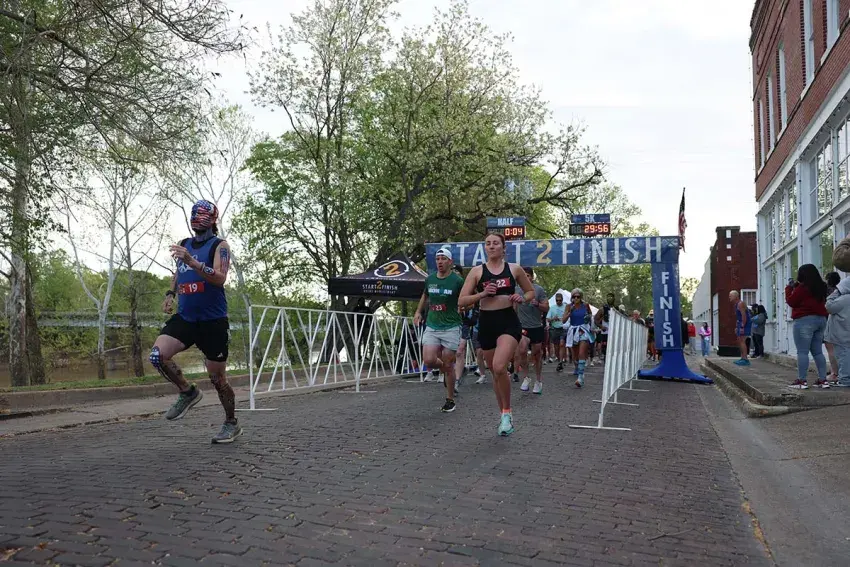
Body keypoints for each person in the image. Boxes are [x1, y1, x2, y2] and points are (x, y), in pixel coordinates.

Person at [154, 200, 241, 444]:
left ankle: (231, 423)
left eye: (201, 215)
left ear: (212, 220)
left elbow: (220, 278)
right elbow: (179, 271)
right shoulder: (185, 244)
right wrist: (170, 294)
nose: (196, 219)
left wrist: (193, 261)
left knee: (218, 379)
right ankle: (188, 391)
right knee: (157, 356)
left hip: (213, 321)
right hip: (186, 317)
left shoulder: (220, 246)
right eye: (194, 215)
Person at [459, 233, 535, 436]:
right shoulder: (477, 271)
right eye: (488, 244)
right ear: (485, 248)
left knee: (500, 366)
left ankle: (507, 413)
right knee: (495, 372)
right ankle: (503, 414)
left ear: (503, 248)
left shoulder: (514, 269)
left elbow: (530, 292)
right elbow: (462, 301)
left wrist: (521, 297)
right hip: (486, 323)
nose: (491, 246)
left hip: (508, 321)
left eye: (495, 243)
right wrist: (482, 294)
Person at [414, 248, 465, 412]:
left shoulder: (457, 281)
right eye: (438, 259)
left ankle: (450, 400)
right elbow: (425, 295)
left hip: (451, 326)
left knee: (449, 362)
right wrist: (418, 312)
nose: (440, 262)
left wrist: (466, 306)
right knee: (429, 360)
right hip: (432, 325)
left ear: (450, 262)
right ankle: (444, 368)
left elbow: (468, 297)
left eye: (443, 259)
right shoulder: (430, 279)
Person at [785, 264, 830, 389]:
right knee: (818, 352)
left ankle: (802, 381)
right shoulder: (821, 287)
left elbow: (791, 301)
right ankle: (823, 380)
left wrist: (789, 288)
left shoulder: (803, 288)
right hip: (821, 320)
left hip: (804, 320)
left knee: (802, 352)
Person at [514, 268, 548, 394]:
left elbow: (546, 308)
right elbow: (513, 307)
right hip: (522, 326)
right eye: (523, 275)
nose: (526, 278)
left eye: (528, 275)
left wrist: (538, 304)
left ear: (532, 277)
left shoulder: (539, 290)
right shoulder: (516, 290)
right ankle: (526, 377)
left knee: (536, 354)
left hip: (536, 326)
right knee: (522, 350)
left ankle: (538, 380)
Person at [561, 288, 593, 388]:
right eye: (574, 296)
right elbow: (563, 320)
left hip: (583, 330)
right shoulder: (569, 306)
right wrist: (570, 312)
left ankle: (580, 377)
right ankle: (579, 370)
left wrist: (588, 317)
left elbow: (590, 315)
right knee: (575, 356)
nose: (576, 298)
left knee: (581, 353)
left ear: (581, 297)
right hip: (573, 331)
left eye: (578, 296)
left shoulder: (586, 305)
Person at [826, 272, 850, 387]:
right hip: (846, 331)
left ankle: (845, 379)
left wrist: (834, 294)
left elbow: (829, 306)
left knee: (843, 355)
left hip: (842, 332)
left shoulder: (844, 299)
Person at [824, 272, 842, 383]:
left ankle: (834, 373)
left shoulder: (827, 292)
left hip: (829, 320)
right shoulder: (841, 291)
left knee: (830, 348)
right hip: (841, 321)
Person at [728, 291, 752, 366]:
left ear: (736, 296)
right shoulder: (736, 305)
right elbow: (738, 317)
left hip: (745, 324)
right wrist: (737, 326)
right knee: (739, 340)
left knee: (742, 340)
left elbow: (744, 316)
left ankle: (745, 359)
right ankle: (742, 357)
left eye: (731, 296)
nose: (729, 297)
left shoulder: (741, 304)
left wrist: (742, 326)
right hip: (740, 323)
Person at [548, 293, 567, 371]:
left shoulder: (566, 307)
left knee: (562, 344)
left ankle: (560, 362)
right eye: (557, 300)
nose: (558, 302)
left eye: (560, 300)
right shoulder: (552, 308)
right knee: (556, 347)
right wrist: (553, 318)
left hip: (563, 328)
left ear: (562, 300)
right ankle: (559, 360)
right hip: (555, 329)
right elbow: (548, 319)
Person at [594, 293, 615, 362]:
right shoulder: (602, 309)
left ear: (614, 299)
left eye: (611, 297)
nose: (610, 299)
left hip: (614, 332)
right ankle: (606, 360)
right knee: (605, 348)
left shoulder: (616, 309)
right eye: (608, 297)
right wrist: (601, 326)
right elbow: (595, 319)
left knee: (613, 348)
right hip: (605, 332)